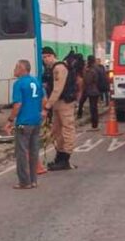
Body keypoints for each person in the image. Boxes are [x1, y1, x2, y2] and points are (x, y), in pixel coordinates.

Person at [4, 59, 43, 189]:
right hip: (36, 121)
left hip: (23, 122)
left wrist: (10, 120)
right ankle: (33, 180)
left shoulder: (19, 84)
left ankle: (24, 181)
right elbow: (44, 99)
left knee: (21, 152)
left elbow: (18, 104)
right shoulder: (36, 81)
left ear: (22, 69)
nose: (14, 69)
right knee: (33, 152)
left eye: (16, 67)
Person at [42, 46, 77, 170]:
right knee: (57, 131)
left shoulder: (59, 68)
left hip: (64, 103)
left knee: (67, 130)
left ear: (53, 55)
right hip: (58, 103)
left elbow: (58, 89)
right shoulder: (52, 68)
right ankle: (60, 156)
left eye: (47, 56)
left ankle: (65, 158)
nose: (46, 59)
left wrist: (47, 106)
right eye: (44, 57)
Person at [82, 55, 104, 130]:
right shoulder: (98, 68)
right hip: (97, 89)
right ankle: (95, 123)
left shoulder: (90, 69)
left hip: (92, 90)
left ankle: (94, 124)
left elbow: (88, 80)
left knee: (93, 107)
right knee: (94, 107)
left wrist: (85, 73)